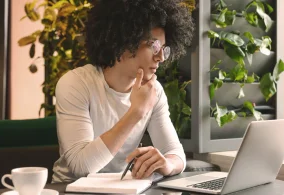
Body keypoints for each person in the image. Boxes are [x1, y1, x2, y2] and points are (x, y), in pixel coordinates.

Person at [52, 0, 194, 183]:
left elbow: (176, 154)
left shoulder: (154, 91)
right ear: (125, 42)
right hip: (70, 189)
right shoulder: (76, 83)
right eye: (154, 46)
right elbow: (81, 167)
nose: (160, 57)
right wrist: (136, 112)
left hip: (123, 188)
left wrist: (166, 164)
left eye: (164, 49)